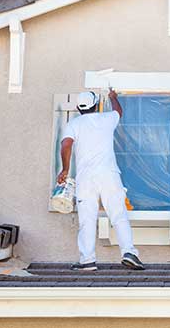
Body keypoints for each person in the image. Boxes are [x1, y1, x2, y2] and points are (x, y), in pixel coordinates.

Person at [57, 89, 144, 271]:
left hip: (85, 179)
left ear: (79, 109)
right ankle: (129, 253)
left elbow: (66, 145)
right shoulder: (106, 119)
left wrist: (65, 169)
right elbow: (118, 111)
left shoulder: (74, 124)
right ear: (96, 105)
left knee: (87, 219)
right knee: (118, 214)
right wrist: (113, 98)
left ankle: (87, 261)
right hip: (109, 175)